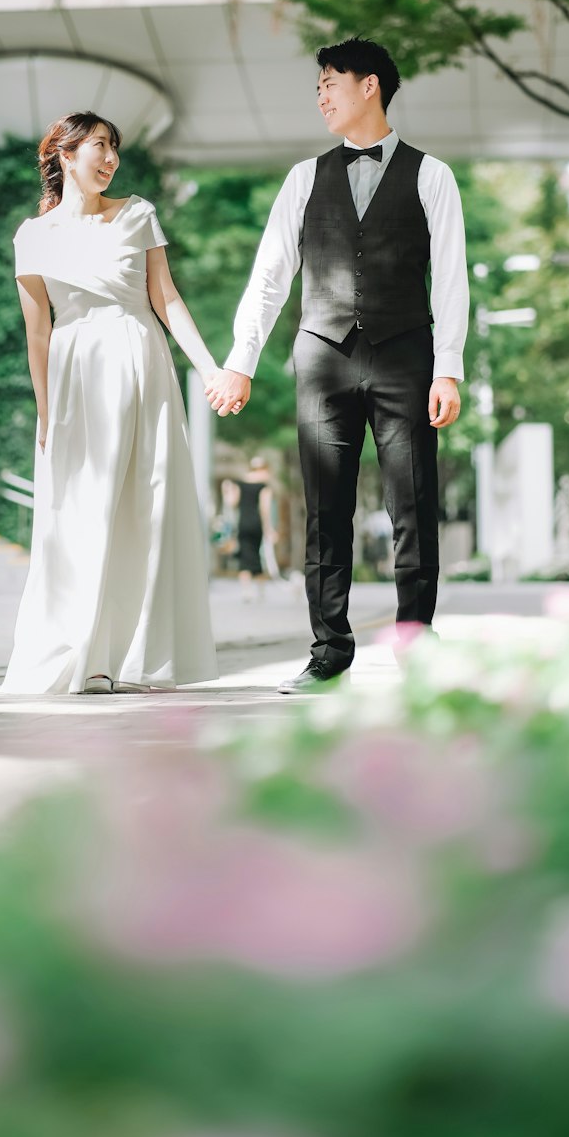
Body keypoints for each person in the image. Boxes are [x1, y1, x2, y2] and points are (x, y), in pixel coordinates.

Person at [206, 38, 469, 692]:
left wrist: (450, 367)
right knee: (326, 511)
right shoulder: (304, 178)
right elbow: (270, 276)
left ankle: (417, 649)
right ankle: (328, 653)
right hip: (322, 357)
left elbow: (453, 281)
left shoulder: (432, 175)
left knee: (412, 503)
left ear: (370, 85)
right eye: (317, 87)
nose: (321, 96)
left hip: (407, 353)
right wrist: (241, 360)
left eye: (330, 82)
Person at [2, 112, 220, 695]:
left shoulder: (138, 214)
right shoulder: (32, 236)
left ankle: (129, 656)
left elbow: (166, 299)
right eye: (99, 146)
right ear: (65, 154)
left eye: (114, 149)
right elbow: (39, 332)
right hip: (75, 374)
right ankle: (85, 652)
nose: (110, 159)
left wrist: (209, 369)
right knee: (80, 509)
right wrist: (46, 412)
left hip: (141, 362)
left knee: (146, 508)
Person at [226, 456, 276, 597]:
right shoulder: (264, 486)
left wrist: (227, 491)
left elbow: (232, 503)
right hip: (256, 524)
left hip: (243, 523)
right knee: (255, 555)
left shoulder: (239, 483)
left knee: (244, 555)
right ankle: (261, 591)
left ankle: (246, 591)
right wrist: (268, 529)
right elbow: (264, 509)